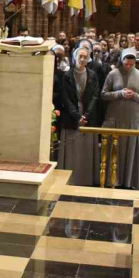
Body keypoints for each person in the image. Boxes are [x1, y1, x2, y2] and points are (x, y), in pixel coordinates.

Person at [99, 49, 139, 189]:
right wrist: (120, 93)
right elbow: (103, 94)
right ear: (121, 61)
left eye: (131, 64)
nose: (128, 66)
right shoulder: (113, 74)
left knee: (131, 149)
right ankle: (113, 180)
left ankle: (131, 180)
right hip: (114, 117)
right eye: (126, 64)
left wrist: (134, 95)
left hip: (134, 118)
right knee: (115, 149)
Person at [54, 45, 99, 186]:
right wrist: (77, 116)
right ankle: (69, 179)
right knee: (72, 150)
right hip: (71, 117)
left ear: (88, 59)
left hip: (88, 116)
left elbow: (95, 96)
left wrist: (86, 115)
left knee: (85, 150)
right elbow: (65, 98)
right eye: (80, 56)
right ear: (75, 57)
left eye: (85, 57)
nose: (82, 59)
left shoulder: (93, 75)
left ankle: (85, 179)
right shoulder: (67, 75)